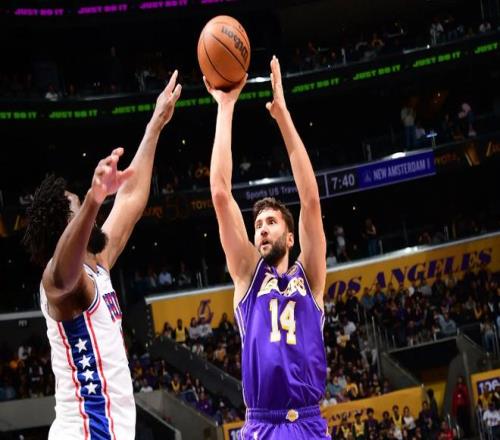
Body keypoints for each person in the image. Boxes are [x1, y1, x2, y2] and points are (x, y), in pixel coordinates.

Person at [22, 72, 181, 439]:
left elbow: (131, 199)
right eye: (79, 207)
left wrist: (155, 124)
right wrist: (94, 200)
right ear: (67, 227)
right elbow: (63, 274)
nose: (87, 210)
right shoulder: (59, 284)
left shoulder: (98, 266)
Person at [205, 55, 328, 438]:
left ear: (290, 238)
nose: (261, 229)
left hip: (308, 422)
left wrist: (283, 117)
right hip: (263, 424)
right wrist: (226, 107)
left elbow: (310, 200)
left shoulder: (311, 278)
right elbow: (220, 193)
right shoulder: (248, 275)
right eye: (258, 224)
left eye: (271, 222)